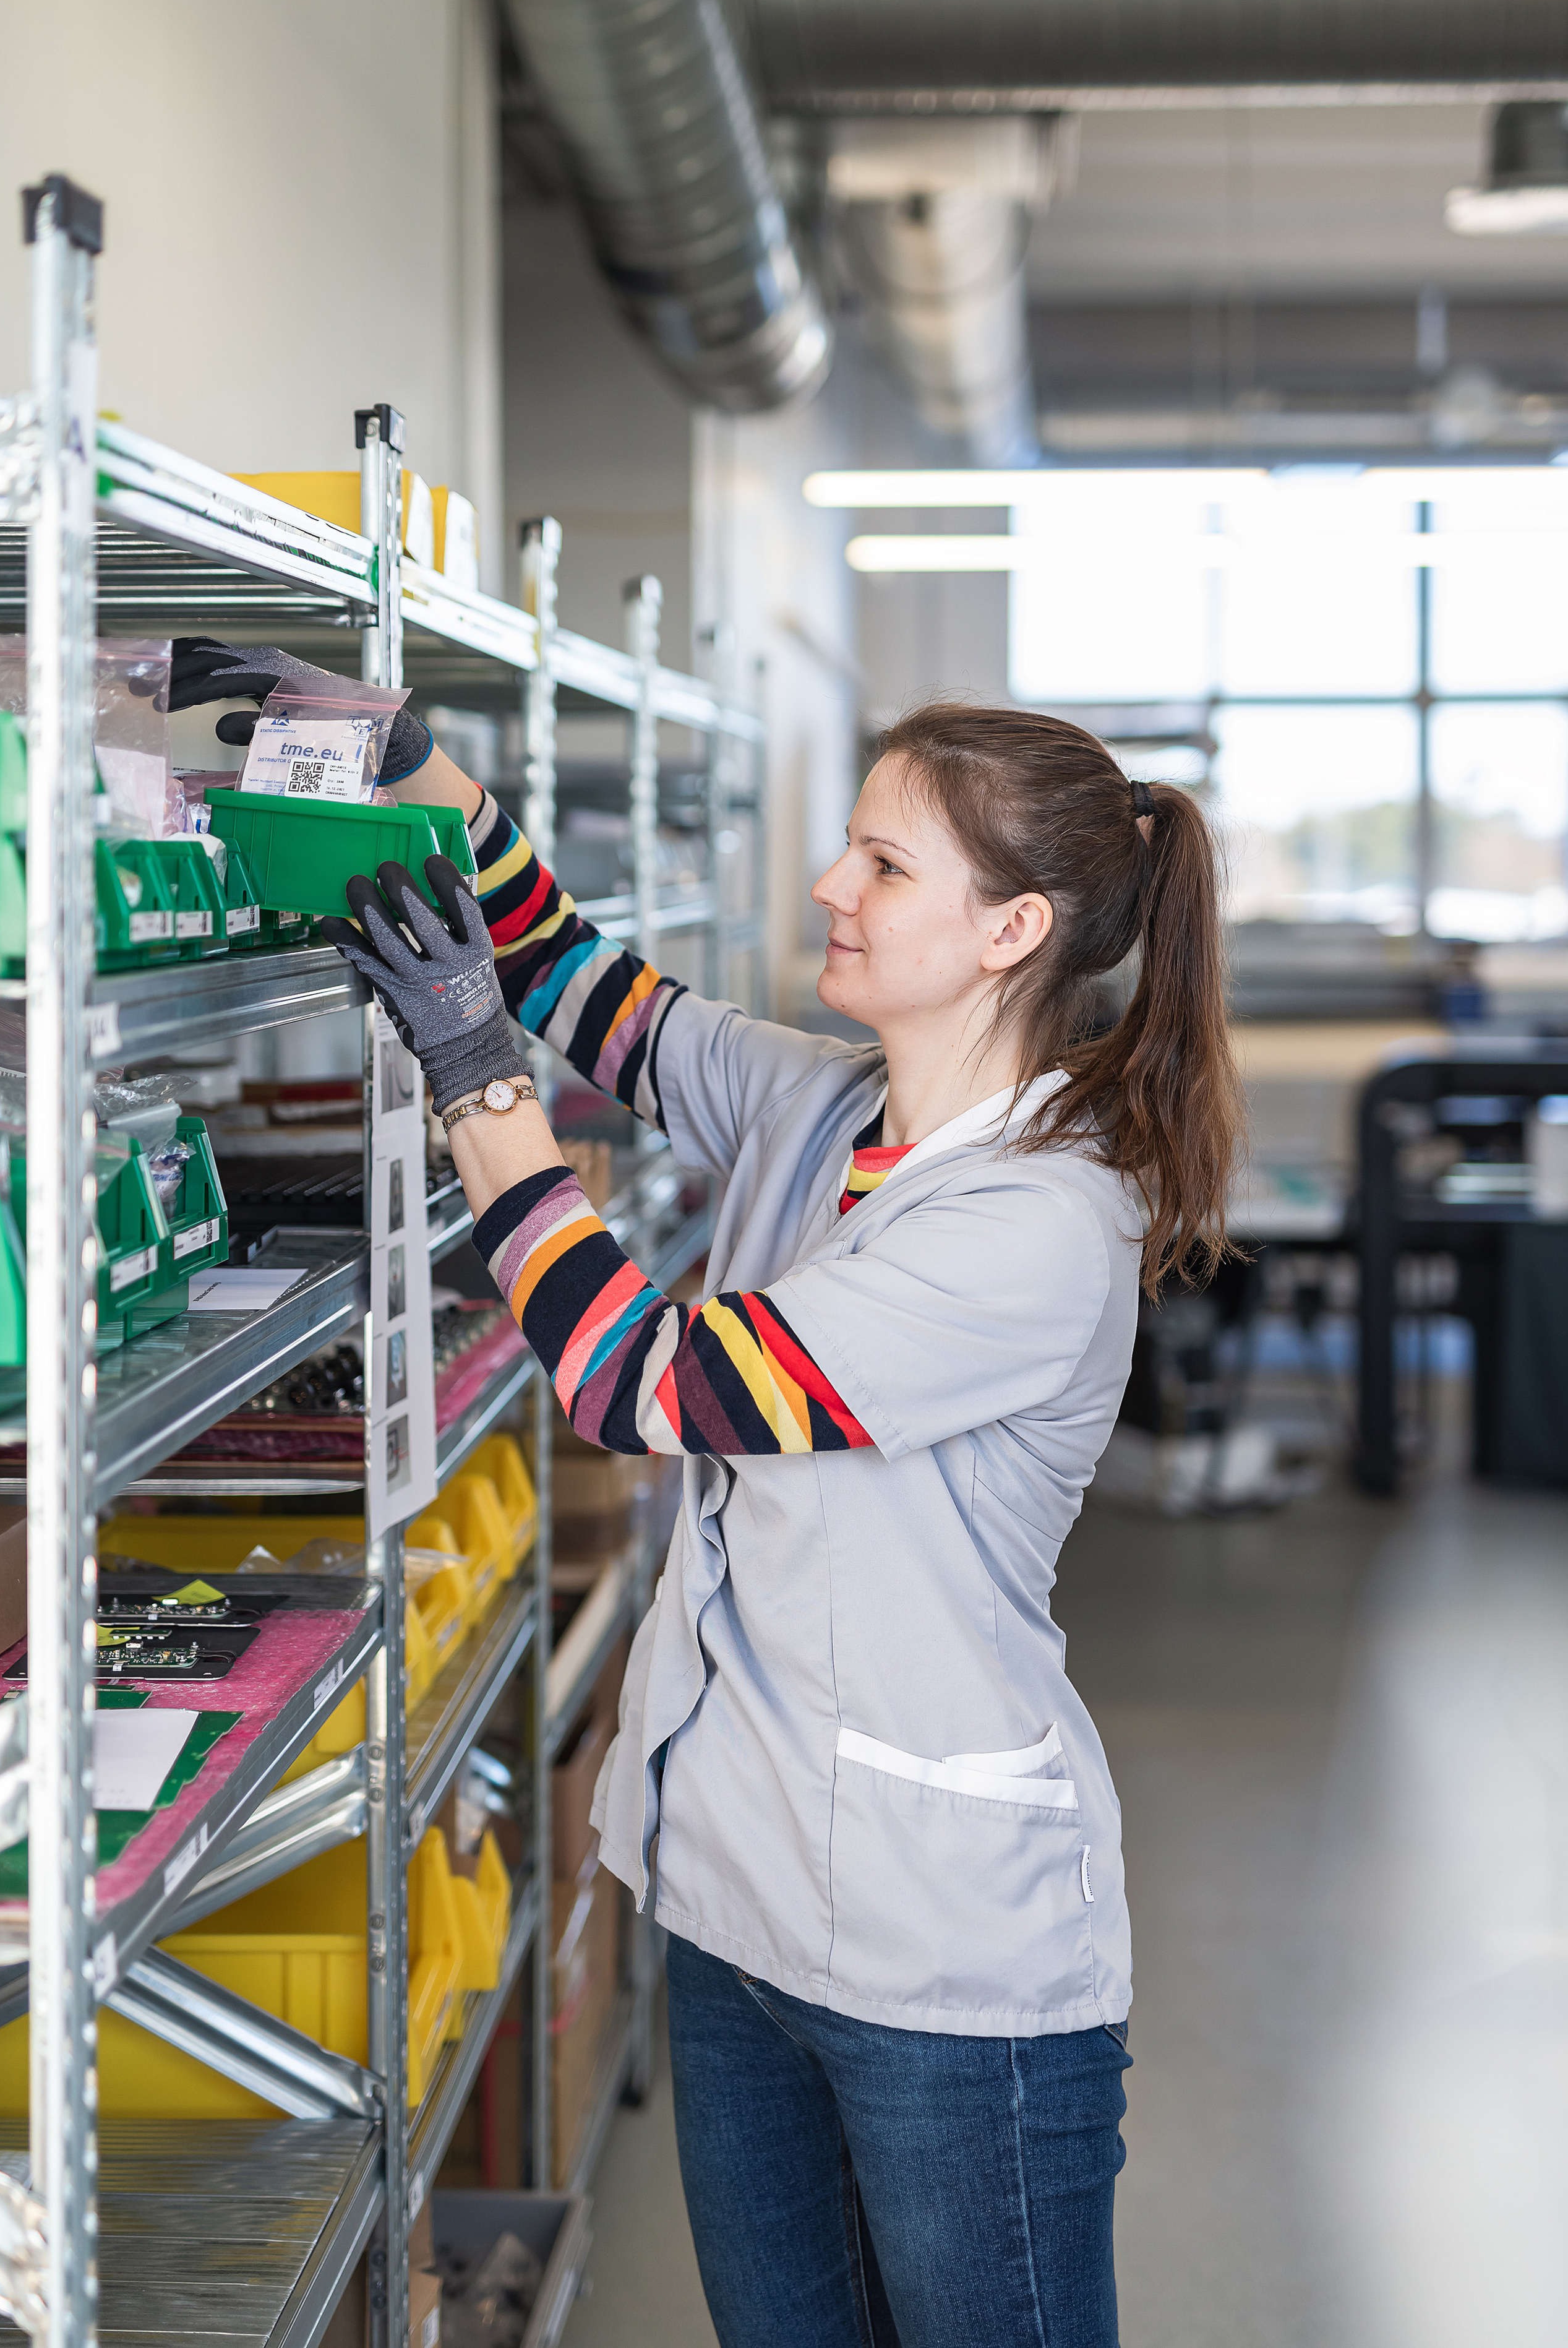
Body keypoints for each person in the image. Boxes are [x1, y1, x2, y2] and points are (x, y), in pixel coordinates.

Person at [165, 647, 1243, 2348]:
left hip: (943, 1955)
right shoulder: (834, 1109)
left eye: (885, 865)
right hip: (738, 1900)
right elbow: (586, 986)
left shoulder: (1039, 1225)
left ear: (1011, 930)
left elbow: (655, 1384)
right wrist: (414, 761)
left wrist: (481, 1089)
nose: (830, 883)